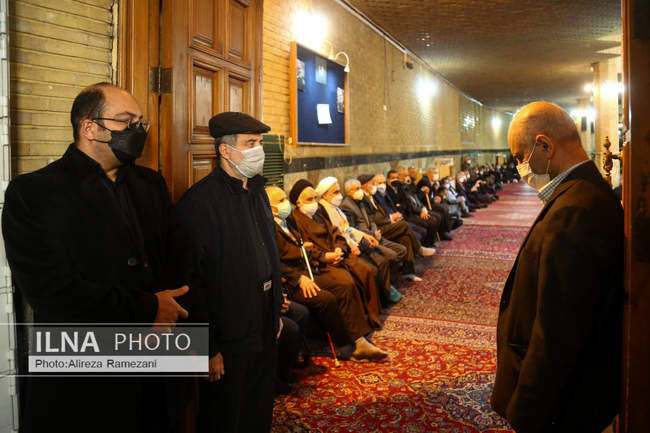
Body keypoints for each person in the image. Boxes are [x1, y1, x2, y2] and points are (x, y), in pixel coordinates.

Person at [2, 83, 195, 433]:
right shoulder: (33, 193)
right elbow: (49, 291)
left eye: (141, 122)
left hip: (156, 369)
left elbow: (176, 257)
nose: (138, 130)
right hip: (84, 380)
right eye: (126, 120)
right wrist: (147, 309)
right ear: (89, 128)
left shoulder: (150, 183)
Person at [490, 101, 624, 433]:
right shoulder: (579, 194)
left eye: (520, 157)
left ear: (545, 146)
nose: (520, 168)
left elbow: (558, 332)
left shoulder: (576, 210)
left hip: (563, 407)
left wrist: (528, 412)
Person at [175, 112, 283, 433]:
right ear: (225, 150)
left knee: (259, 404)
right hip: (228, 329)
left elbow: (269, 253)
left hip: (263, 317)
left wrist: (275, 308)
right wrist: (207, 347)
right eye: (250, 143)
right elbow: (192, 281)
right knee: (226, 414)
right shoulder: (200, 202)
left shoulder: (258, 190)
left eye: (259, 143)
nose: (258, 150)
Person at [266, 186, 388, 362]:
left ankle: (359, 340)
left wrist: (308, 251)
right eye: (281, 201)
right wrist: (299, 276)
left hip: (307, 270)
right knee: (327, 298)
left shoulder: (289, 219)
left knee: (342, 289)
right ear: (270, 207)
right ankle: (346, 347)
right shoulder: (267, 227)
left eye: (285, 198)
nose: (286, 204)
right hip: (291, 280)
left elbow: (305, 245)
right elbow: (274, 260)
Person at [289, 179, 385, 330]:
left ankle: (373, 316)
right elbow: (302, 247)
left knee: (365, 271)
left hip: (338, 253)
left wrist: (339, 248)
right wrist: (325, 257)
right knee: (347, 282)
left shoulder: (319, 213)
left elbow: (335, 232)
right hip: (323, 262)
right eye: (309, 199)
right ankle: (357, 327)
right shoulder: (295, 220)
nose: (314, 202)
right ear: (298, 202)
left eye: (315, 198)